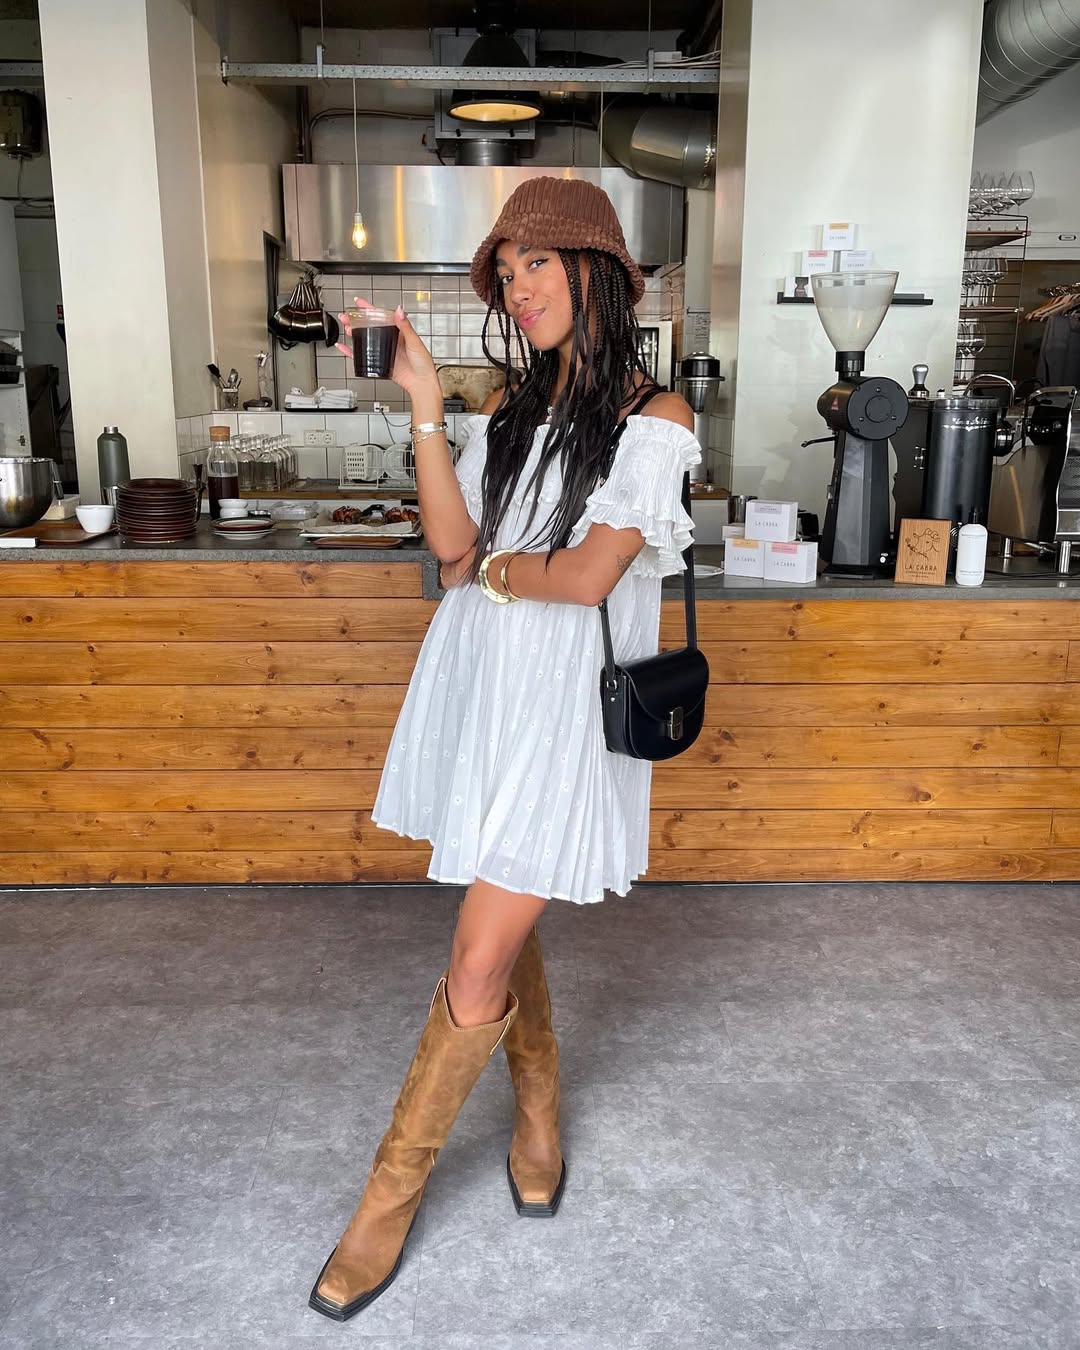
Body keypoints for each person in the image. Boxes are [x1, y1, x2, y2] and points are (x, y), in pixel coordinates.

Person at [308, 176, 701, 1323]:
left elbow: (582, 581)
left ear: (597, 271)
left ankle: (387, 1197)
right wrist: (427, 403)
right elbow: (449, 544)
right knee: (495, 903)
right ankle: (537, 1112)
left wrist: (486, 573)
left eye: (540, 262)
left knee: (477, 956)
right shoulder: (513, 410)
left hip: (564, 712)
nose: (520, 285)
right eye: (508, 268)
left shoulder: (656, 421)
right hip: (485, 686)